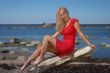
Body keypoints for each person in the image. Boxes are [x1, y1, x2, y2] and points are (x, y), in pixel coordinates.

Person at [20, 7, 96, 71]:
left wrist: (89, 44)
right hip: (62, 48)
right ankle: (27, 62)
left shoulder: (74, 21)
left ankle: (41, 57)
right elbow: (55, 35)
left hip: (68, 47)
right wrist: (44, 43)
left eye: (64, 13)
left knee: (46, 36)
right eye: (61, 15)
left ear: (67, 12)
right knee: (41, 47)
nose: (63, 16)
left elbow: (81, 34)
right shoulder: (63, 25)